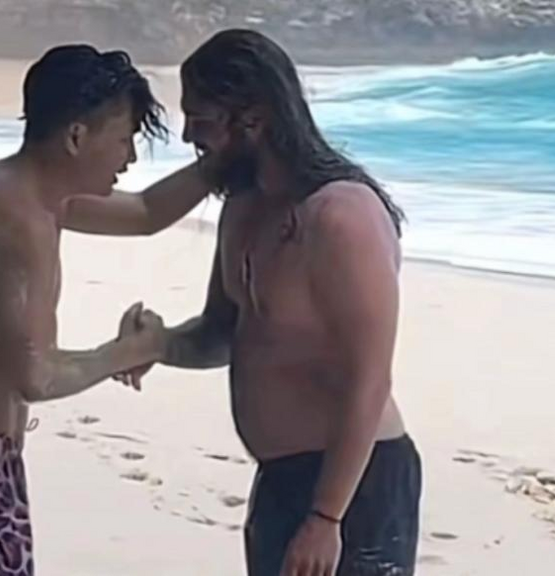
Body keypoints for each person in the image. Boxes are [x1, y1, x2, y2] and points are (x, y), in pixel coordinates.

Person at [0, 44, 217, 575]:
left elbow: (146, 212)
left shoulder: (12, 186)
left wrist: (224, 164)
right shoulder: (21, 221)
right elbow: (35, 377)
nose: (130, 158)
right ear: (76, 137)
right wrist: (133, 350)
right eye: (124, 140)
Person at [117, 29, 421, 576]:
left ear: (253, 118)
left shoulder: (341, 216)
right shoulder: (243, 209)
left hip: (356, 484)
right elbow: (223, 333)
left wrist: (326, 517)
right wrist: (157, 345)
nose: (188, 135)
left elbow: (369, 380)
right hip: (281, 479)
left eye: (201, 119)